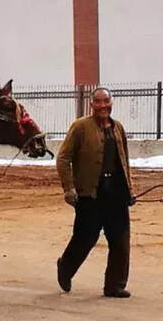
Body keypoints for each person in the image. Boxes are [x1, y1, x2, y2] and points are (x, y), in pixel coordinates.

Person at [56, 87, 135, 297]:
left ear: (111, 103)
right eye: (98, 102)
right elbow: (63, 158)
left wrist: (129, 189)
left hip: (116, 194)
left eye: (106, 101)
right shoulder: (80, 127)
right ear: (92, 104)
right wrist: (68, 188)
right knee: (85, 238)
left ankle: (115, 285)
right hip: (90, 194)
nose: (102, 106)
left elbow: (124, 160)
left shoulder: (117, 128)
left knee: (120, 240)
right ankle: (65, 267)